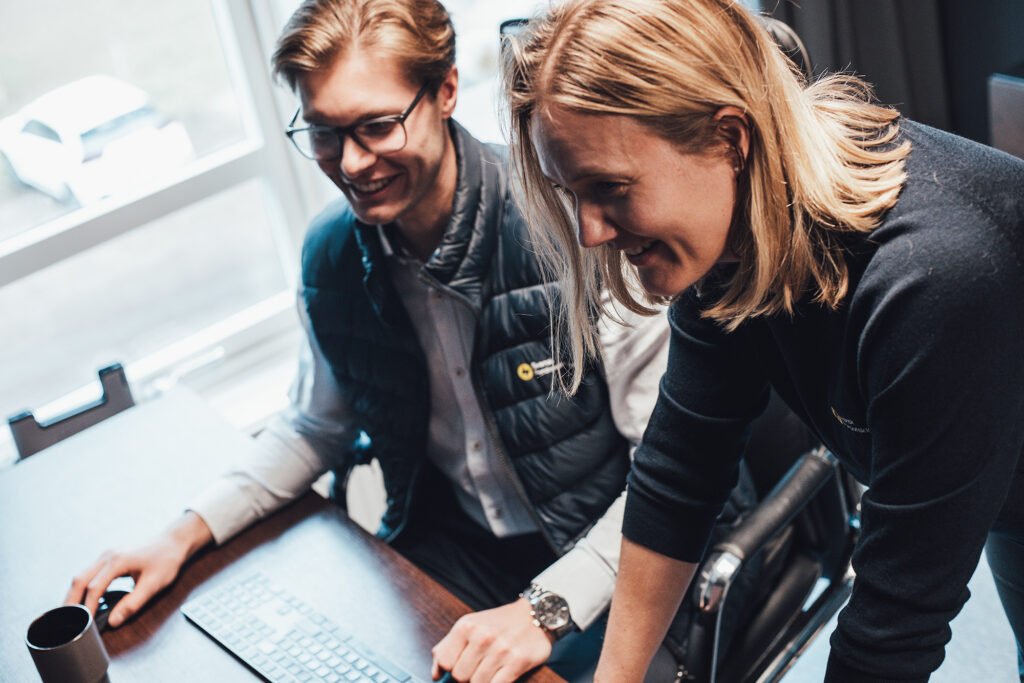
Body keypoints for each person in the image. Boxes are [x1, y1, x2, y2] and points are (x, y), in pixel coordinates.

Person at [65, 1, 679, 681]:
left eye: (377, 126)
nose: (351, 163)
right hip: (455, 545)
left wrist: (545, 607)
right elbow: (313, 426)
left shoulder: (579, 231)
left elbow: (671, 475)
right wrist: (179, 535)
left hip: (612, 557)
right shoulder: (331, 257)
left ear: (446, 90)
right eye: (324, 133)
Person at [503, 0, 1024, 681]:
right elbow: (679, 476)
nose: (589, 232)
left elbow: (893, 629)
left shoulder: (933, 280)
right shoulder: (732, 236)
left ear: (730, 138)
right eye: (570, 192)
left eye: (610, 189)